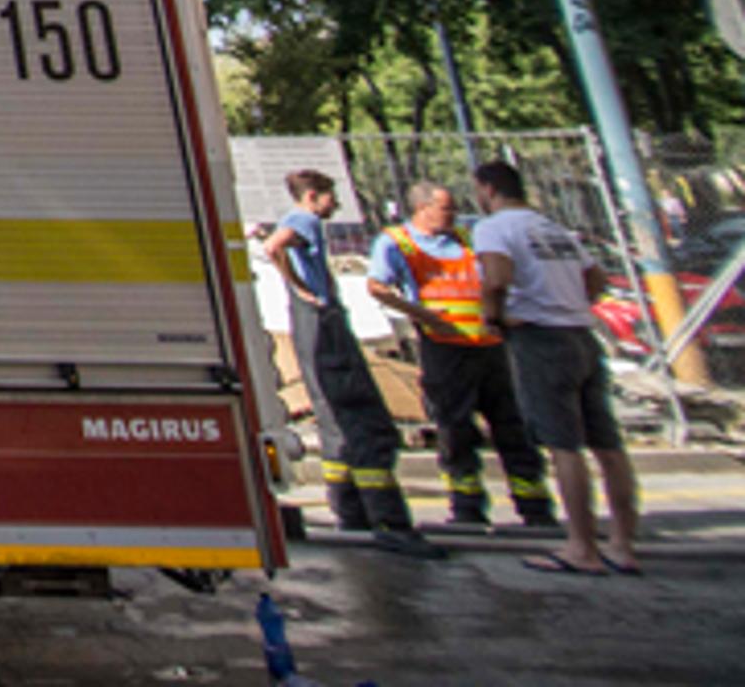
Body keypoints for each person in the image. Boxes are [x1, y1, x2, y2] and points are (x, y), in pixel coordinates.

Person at [471, 160, 640, 577]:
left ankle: (581, 545)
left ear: (488, 190)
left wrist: (496, 317)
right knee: (608, 445)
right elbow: (596, 277)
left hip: (540, 337)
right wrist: (571, 303)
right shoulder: (551, 228)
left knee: (564, 446)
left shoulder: (494, 227)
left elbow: (496, 277)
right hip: (581, 335)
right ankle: (622, 544)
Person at [262, 169, 440, 557]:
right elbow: (274, 246)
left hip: (314, 332)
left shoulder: (302, 221)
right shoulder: (303, 219)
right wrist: (303, 290)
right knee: (364, 421)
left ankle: (351, 513)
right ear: (312, 195)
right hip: (325, 328)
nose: (336, 204)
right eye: (330, 196)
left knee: (335, 425)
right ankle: (389, 521)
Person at [368, 182, 556, 530]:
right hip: (445, 346)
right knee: (455, 428)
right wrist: (423, 315)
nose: (452, 215)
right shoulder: (397, 243)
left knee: (513, 427)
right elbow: (378, 286)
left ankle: (535, 505)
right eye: (445, 209)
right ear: (422, 209)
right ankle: (467, 507)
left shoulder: (467, 239)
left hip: (490, 345)